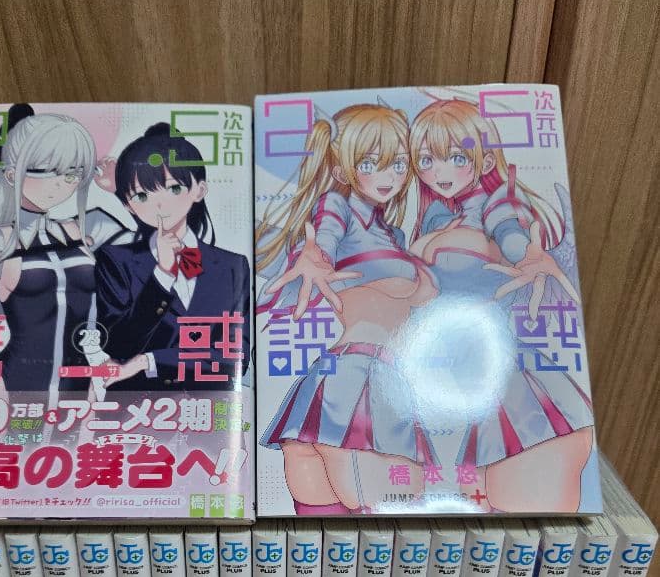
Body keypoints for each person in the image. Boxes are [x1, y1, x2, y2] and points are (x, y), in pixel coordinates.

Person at [407, 96, 593, 511]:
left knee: (524, 522)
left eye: (456, 157)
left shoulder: (496, 205)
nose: (439, 172)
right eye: (427, 160)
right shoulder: (438, 217)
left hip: (513, 389)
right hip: (465, 387)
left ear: (485, 160)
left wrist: (527, 254)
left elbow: (511, 235)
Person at [256, 102, 438, 514]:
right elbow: (323, 238)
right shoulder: (339, 207)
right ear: (342, 170)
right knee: (386, 526)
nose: (388, 176)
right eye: (370, 164)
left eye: (397, 164)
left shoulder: (391, 233)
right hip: (361, 382)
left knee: (329, 535)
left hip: (347, 384)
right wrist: (313, 256)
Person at [0, 105, 127, 406]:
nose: (61, 183)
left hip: (81, 390)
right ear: (11, 174)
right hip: (14, 389)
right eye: (47, 170)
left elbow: (155, 255)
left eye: (72, 173)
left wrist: (120, 190)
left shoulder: (91, 230)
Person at [94, 122, 251, 392]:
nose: (159, 204)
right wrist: (162, 275)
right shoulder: (116, 261)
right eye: (141, 195)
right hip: (136, 407)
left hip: (207, 407)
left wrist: (148, 361)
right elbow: (117, 346)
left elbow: (234, 359)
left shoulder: (231, 266)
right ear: (127, 204)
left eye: (174, 189)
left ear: (199, 190)